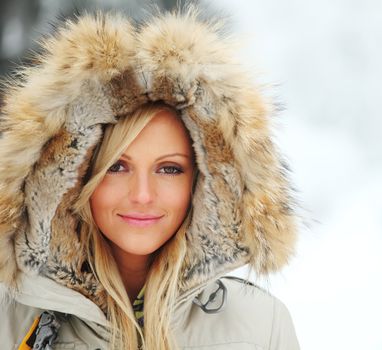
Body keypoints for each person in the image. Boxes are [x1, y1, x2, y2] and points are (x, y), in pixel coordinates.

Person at [0, 8, 299, 350]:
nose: (142, 195)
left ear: (203, 185)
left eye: (169, 169)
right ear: (74, 179)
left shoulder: (260, 324)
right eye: (117, 166)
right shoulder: (12, 322)